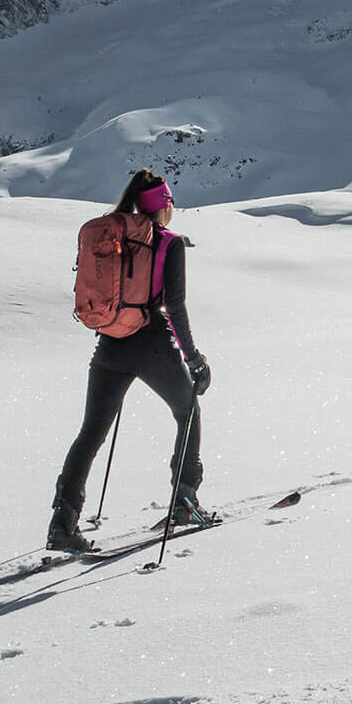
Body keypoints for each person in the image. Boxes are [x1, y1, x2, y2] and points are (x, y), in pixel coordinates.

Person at [48, 169, 214, 552]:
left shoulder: (113, 234)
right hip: (151, 342)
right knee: (187, 410)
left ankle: (62, 523)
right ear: (163, 206)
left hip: (110, 344)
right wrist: (194, 359)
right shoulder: (167, 243)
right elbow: (174, 305)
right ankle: (186, 500)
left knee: (90, 434)